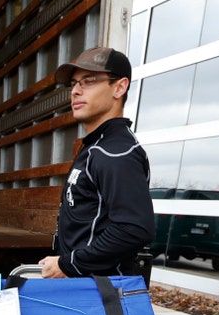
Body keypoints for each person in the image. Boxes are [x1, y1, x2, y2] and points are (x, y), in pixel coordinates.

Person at [39, 47, 154, 279]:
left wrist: (68, 264)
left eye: (89, 81)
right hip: (83, 291)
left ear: (119, 87)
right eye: (74, 83)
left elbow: (132, 229)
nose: (76, 91)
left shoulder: (116, 152)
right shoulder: (96, 146)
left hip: (100, 297)